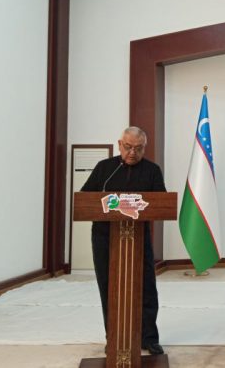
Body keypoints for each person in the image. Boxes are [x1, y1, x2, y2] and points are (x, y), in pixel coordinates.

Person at [80, 126, 166, 355]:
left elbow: (161, 203)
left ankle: (148, 338)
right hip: (104, 237)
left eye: (138, 148)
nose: (132, 153)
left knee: (146, 286)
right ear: (119, 144)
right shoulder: (104, 168)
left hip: (138, 237)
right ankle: (114, 337)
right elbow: (85, 198)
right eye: (128, 147)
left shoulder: (152, 170)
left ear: (144, 148)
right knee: (108, 286)